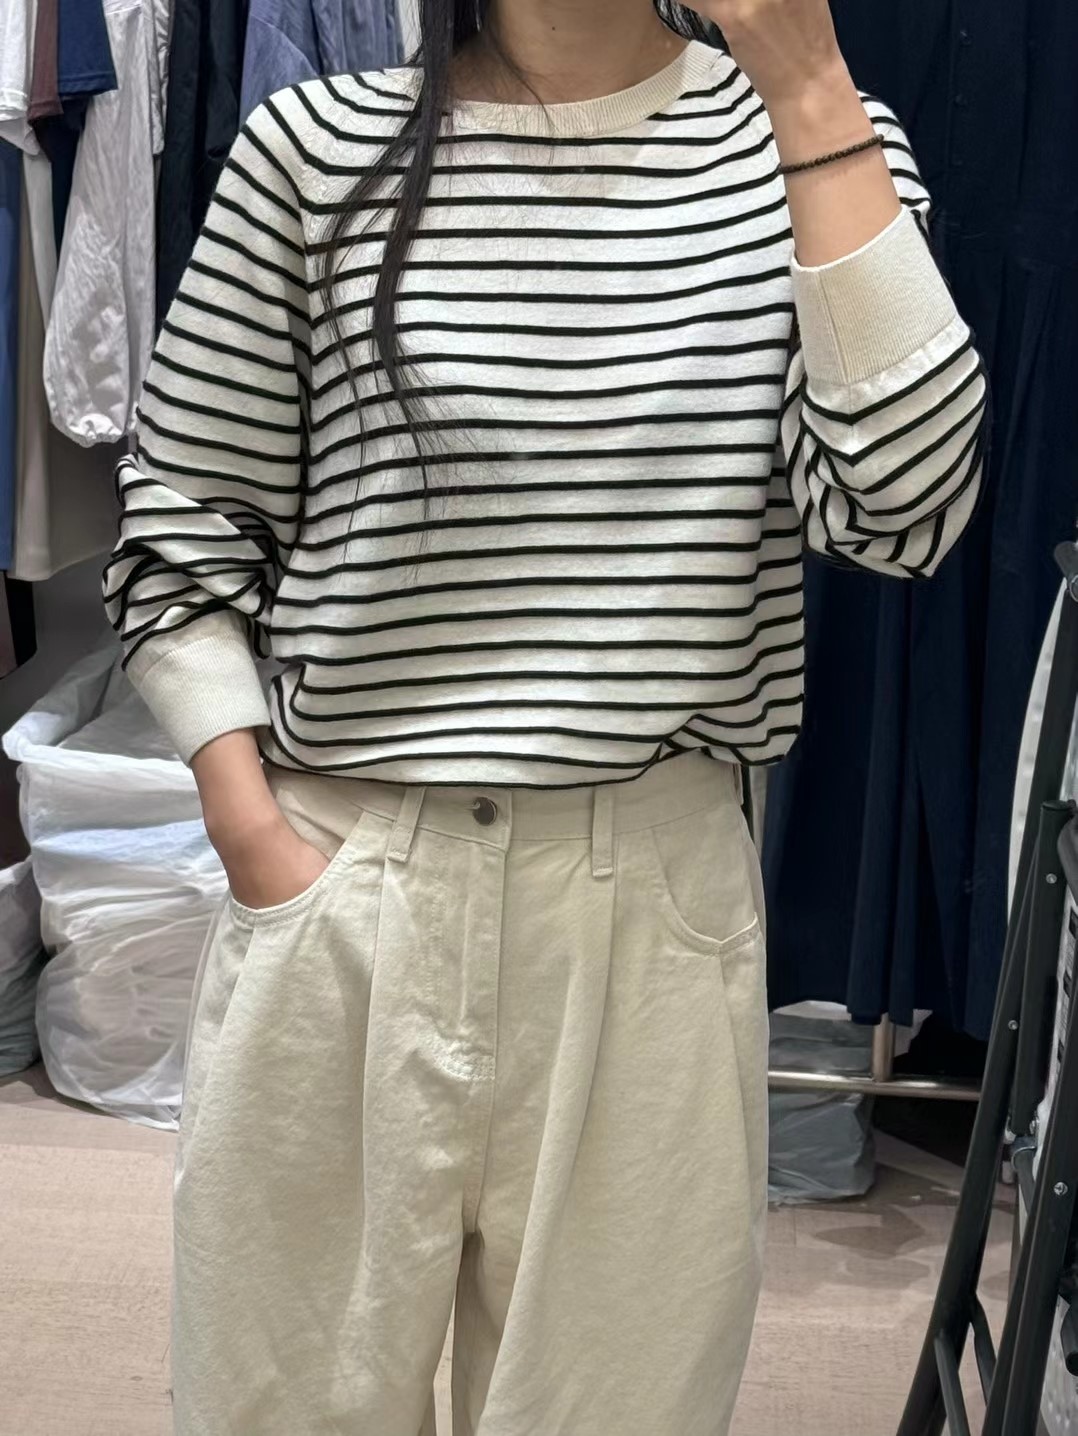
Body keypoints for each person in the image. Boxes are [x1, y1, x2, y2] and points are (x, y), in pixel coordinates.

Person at [104, 1, 987, 1431]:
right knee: (282, 1404)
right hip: (346, 877)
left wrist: (815, 89)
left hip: (648, 900)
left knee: (613, 1406)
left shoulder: (813, 148)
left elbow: (906, 511)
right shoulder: (315, 150)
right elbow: (187, 521)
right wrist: (246, 823)